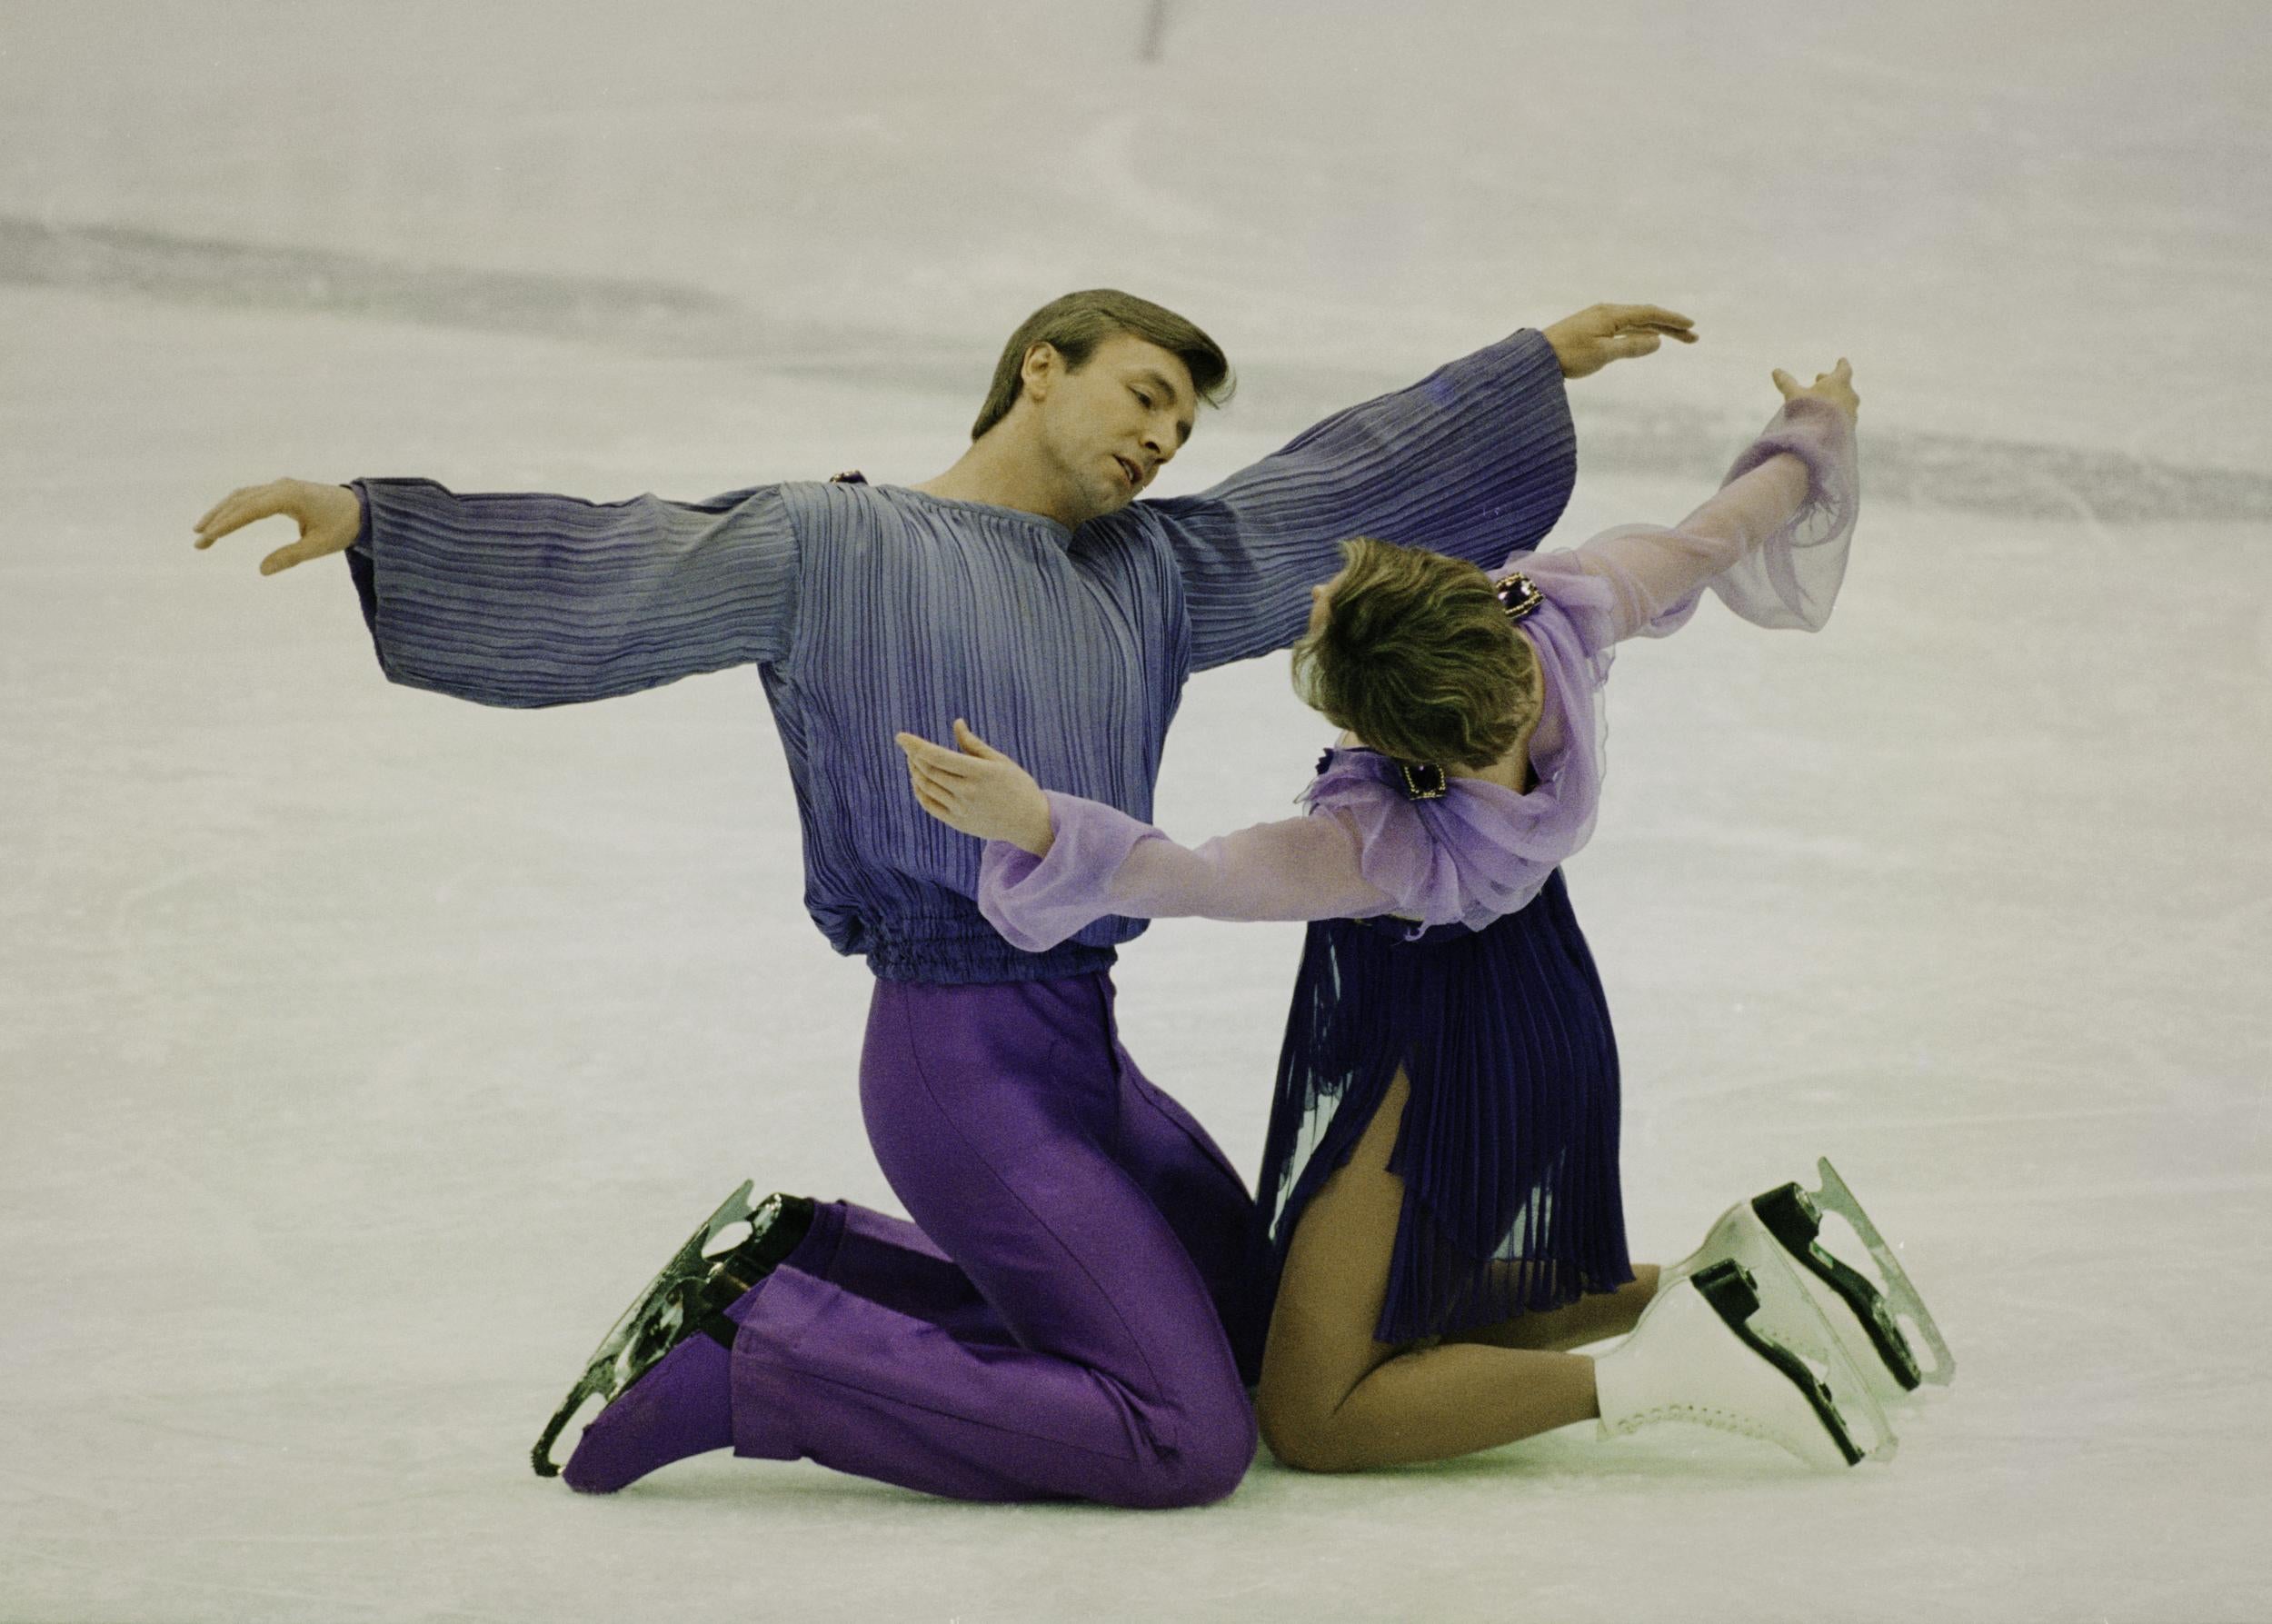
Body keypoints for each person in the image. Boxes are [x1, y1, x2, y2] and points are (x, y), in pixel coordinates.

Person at [190, 289, 1694, 1506]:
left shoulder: (1148, 572)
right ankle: (763, 1359)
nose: (1165, 437)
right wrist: (375, 521)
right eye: (1145, 393)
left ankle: (812, 1257)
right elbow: (632, 561)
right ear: (1041, 368)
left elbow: (1311, 504)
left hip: (1085, 1050)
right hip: (955, 1062)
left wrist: (1527, 369)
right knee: (1188, 1436)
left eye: (1183, 418)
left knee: (1254, 1331)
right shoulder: (836, 542)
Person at [900, 360, 1928, 1472]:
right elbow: (1723, 528)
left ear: (1388, 737)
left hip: (1435, 1051)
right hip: (1538, 1009)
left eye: (1328, 618)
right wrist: (1816, 425)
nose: (1314, 598)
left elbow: (1191, 873)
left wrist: (1039, 819)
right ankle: (1724, 1277)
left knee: (1314, 1413)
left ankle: (1664, 1377)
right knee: (1407, 1312)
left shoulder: (1383, 843)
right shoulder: (1559, 619)